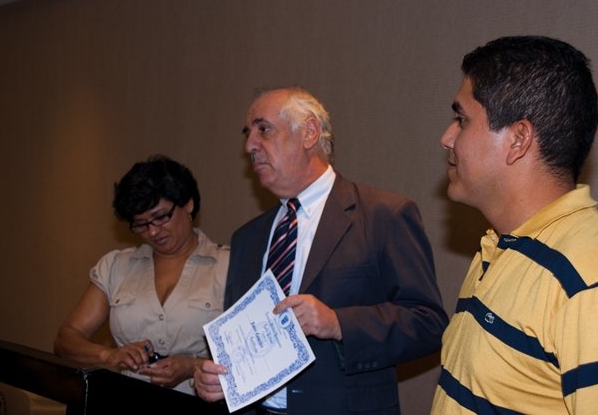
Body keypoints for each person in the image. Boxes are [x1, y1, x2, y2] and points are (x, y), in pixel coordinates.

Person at [194, 86, 448, 414]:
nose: (249, 146)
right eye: (248, 134)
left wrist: (338, 322)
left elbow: (428, 324)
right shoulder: (247, 238)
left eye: (263, 129)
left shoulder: (383, 215)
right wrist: (216, 380)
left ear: (309, 132)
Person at [431, 36, 598, 414]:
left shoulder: (595, 280)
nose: (446, 138)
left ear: (518, 139)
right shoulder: (500, 245)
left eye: (462, 120)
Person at [54, 154, 229, 395]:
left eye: (160, 217)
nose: (153, 232)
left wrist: (191, 366)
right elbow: (66, 339)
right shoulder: (116, 267)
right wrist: (108, 355)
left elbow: (253, 356)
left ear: (188, 204)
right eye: (141, 224)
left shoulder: (229, 266)